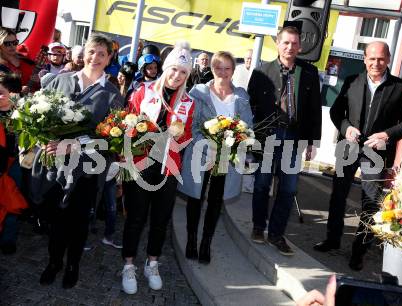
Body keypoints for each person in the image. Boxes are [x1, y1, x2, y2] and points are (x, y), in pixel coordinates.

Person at [313, 41, 402, 271]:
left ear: (388, 59)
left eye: (380, 58)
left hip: (376, 153)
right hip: (348, 147)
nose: (375, 63)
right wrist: (346, 127)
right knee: (338, 196)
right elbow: (337, 111)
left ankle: (359, 251)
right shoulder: (352, 81)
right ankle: (332, 240)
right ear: (364, 59)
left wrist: (387, 135)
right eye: (371, 58)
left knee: (370, 203)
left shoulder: (401, 87)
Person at [35, 33, 124, 289]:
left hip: (87, 168)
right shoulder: (58, 81)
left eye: (102, 54)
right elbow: (39, 117)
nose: (95, 57)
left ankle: (72, 264)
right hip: (55, 166)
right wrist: (42, 138)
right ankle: (54, 262)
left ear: (109, 59)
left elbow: (112, 140)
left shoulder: (112, 95)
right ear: (84, 52)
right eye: (92, 51)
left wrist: (78, 144)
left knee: (79, 220)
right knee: (55, 218)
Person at [120, 41, 195, 294]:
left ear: (187, 75)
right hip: (141, 163)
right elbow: (127, 122)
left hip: (169, 166)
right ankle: (129, 264)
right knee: (136, 217)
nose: (177, 76)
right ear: (166, 68)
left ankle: (152, 262)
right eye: (174, 70)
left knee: (161, 219)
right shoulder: (143, 91)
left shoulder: (188, 102)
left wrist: (177, 137)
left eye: (183, 72)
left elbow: (188, 135)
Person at [248, 26, 321, 256]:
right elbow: (251, 106)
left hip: (293, 138)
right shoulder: (262, 71)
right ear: (278, 44)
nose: (290, 47)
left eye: (294, 43)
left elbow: (314, 110)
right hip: (268, 137)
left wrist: (312, 142)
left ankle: (277, 234)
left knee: (288, 189)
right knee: (262, 183)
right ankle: (259, 227)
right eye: (286, 43)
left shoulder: (309, 73)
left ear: (300, 46)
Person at [178, 51, 253, 264]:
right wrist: (207, 144)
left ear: (233, 70)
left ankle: (206, 243)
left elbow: (247, 127)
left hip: (226, 157)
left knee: (215, 200)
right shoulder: (198, 92)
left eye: (227, 68)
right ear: (212, 69)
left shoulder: (241, 96)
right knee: (195, 197)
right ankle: (192, 239)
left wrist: (233, 142)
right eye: (218, 67)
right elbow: (190, 124)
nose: (222, 72)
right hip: (200, 152)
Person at [0, 73, 27, 255]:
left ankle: (8, 238)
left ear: (13, 93)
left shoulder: (22, 113)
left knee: (12, 200)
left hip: (14, 164)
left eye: (1, 92)